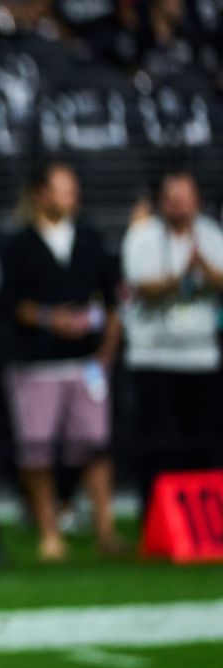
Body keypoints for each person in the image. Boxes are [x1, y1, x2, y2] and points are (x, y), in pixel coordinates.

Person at [1, 160, 124, 561]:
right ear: (39, 193)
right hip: (36, 364)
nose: (71, 196)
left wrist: (107, 347)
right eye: (61, 188)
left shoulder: (90, 238)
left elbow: (112, 300)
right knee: (36, 449)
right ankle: (50, 533)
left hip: (86, 363)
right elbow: (9, 303)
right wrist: (51, 319)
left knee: (96, 445)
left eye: (73, 188)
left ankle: (106, 530)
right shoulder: (17, 243)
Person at [121, 170, 223, 515]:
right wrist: (181, 275)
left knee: (204, 444)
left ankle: (205, 520)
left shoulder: (210, 234)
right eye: (173, 198)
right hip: (154, 355)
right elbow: (142, 286)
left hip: (201, 356)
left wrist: (205, 268)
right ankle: (157, 519)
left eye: (185, 197)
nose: (179, 205)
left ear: (197, 199)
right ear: (162, 201)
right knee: (159, 445)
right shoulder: (143, 235)